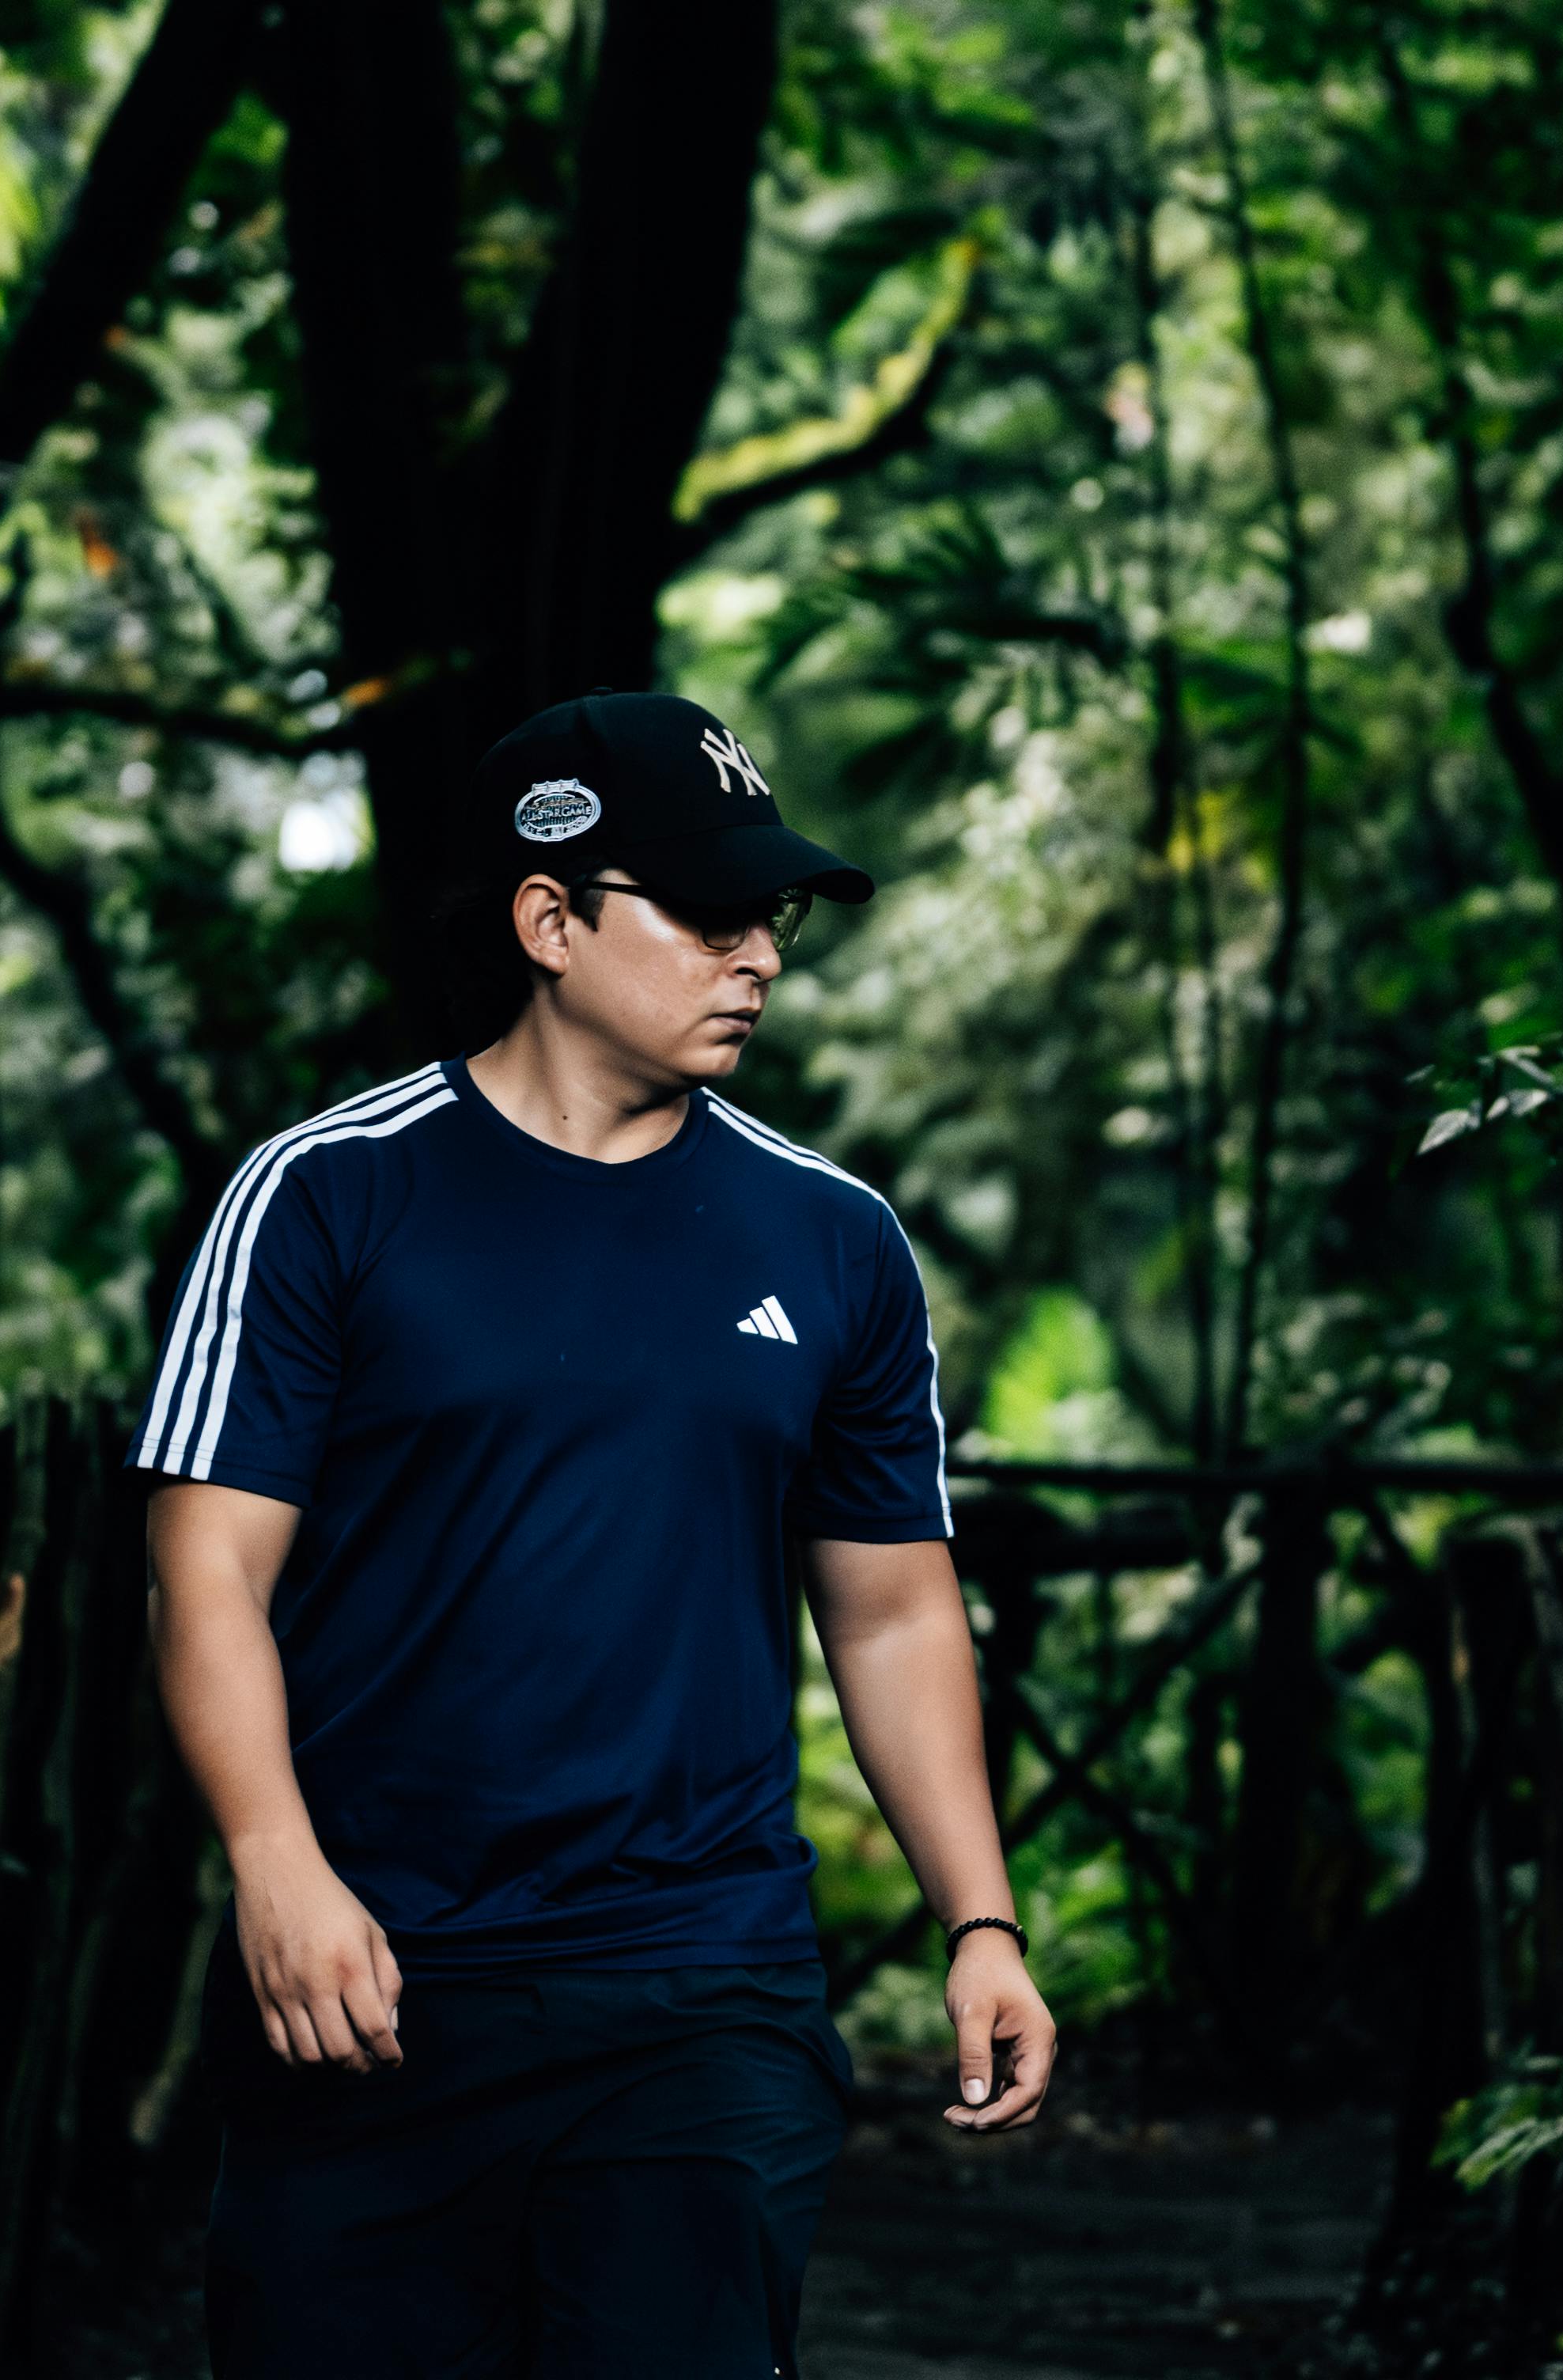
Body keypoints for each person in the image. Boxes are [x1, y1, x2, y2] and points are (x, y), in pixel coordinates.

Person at [137, 690, 1054, 2378]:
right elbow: (209, 1569)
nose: (758, 957)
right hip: (369, 1985)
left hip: (701, 1990)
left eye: (770, 919)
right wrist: (277, 1865)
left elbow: (894, 1613)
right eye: (710, 917)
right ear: (550, 918)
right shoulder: (324, 1195)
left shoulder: (835, 1239)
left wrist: (979, 1919)